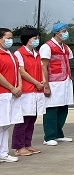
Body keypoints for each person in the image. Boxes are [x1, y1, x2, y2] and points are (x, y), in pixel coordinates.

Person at [40, 22, 74, 146]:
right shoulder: (47, 46)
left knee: (63, 108)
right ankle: (48, 136)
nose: (66, 33)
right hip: (53, 81)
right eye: (64, 31)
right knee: (51, 109)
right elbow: (43, 66)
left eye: (66, 30)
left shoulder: (66, 47)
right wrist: (46, 85)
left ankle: (58, 134)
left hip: (65, 80)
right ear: (56, 32)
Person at [13, 28, 45, 156]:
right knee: (23, 120)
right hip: (27, 90)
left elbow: (41, 68)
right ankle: (19, 147)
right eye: (34, 38)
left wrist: (43, 81)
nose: (37, 40)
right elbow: (22, 72)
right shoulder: (19, 53)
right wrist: (36, 82)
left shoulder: (37, 53)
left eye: (38, 38)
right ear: (27, 39)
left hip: (37, 90)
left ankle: (27, 144)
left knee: (32, 119)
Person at [0, 28, 23, 163]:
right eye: (7, 38)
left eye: (11, 38)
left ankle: (3, 153)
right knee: (1, 124)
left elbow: (18, 71)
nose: (10, 40)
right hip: (2, 93)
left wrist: (19, 87)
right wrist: (11, 87)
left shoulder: (11, 54)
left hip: (11, 94)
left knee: (5, 125)